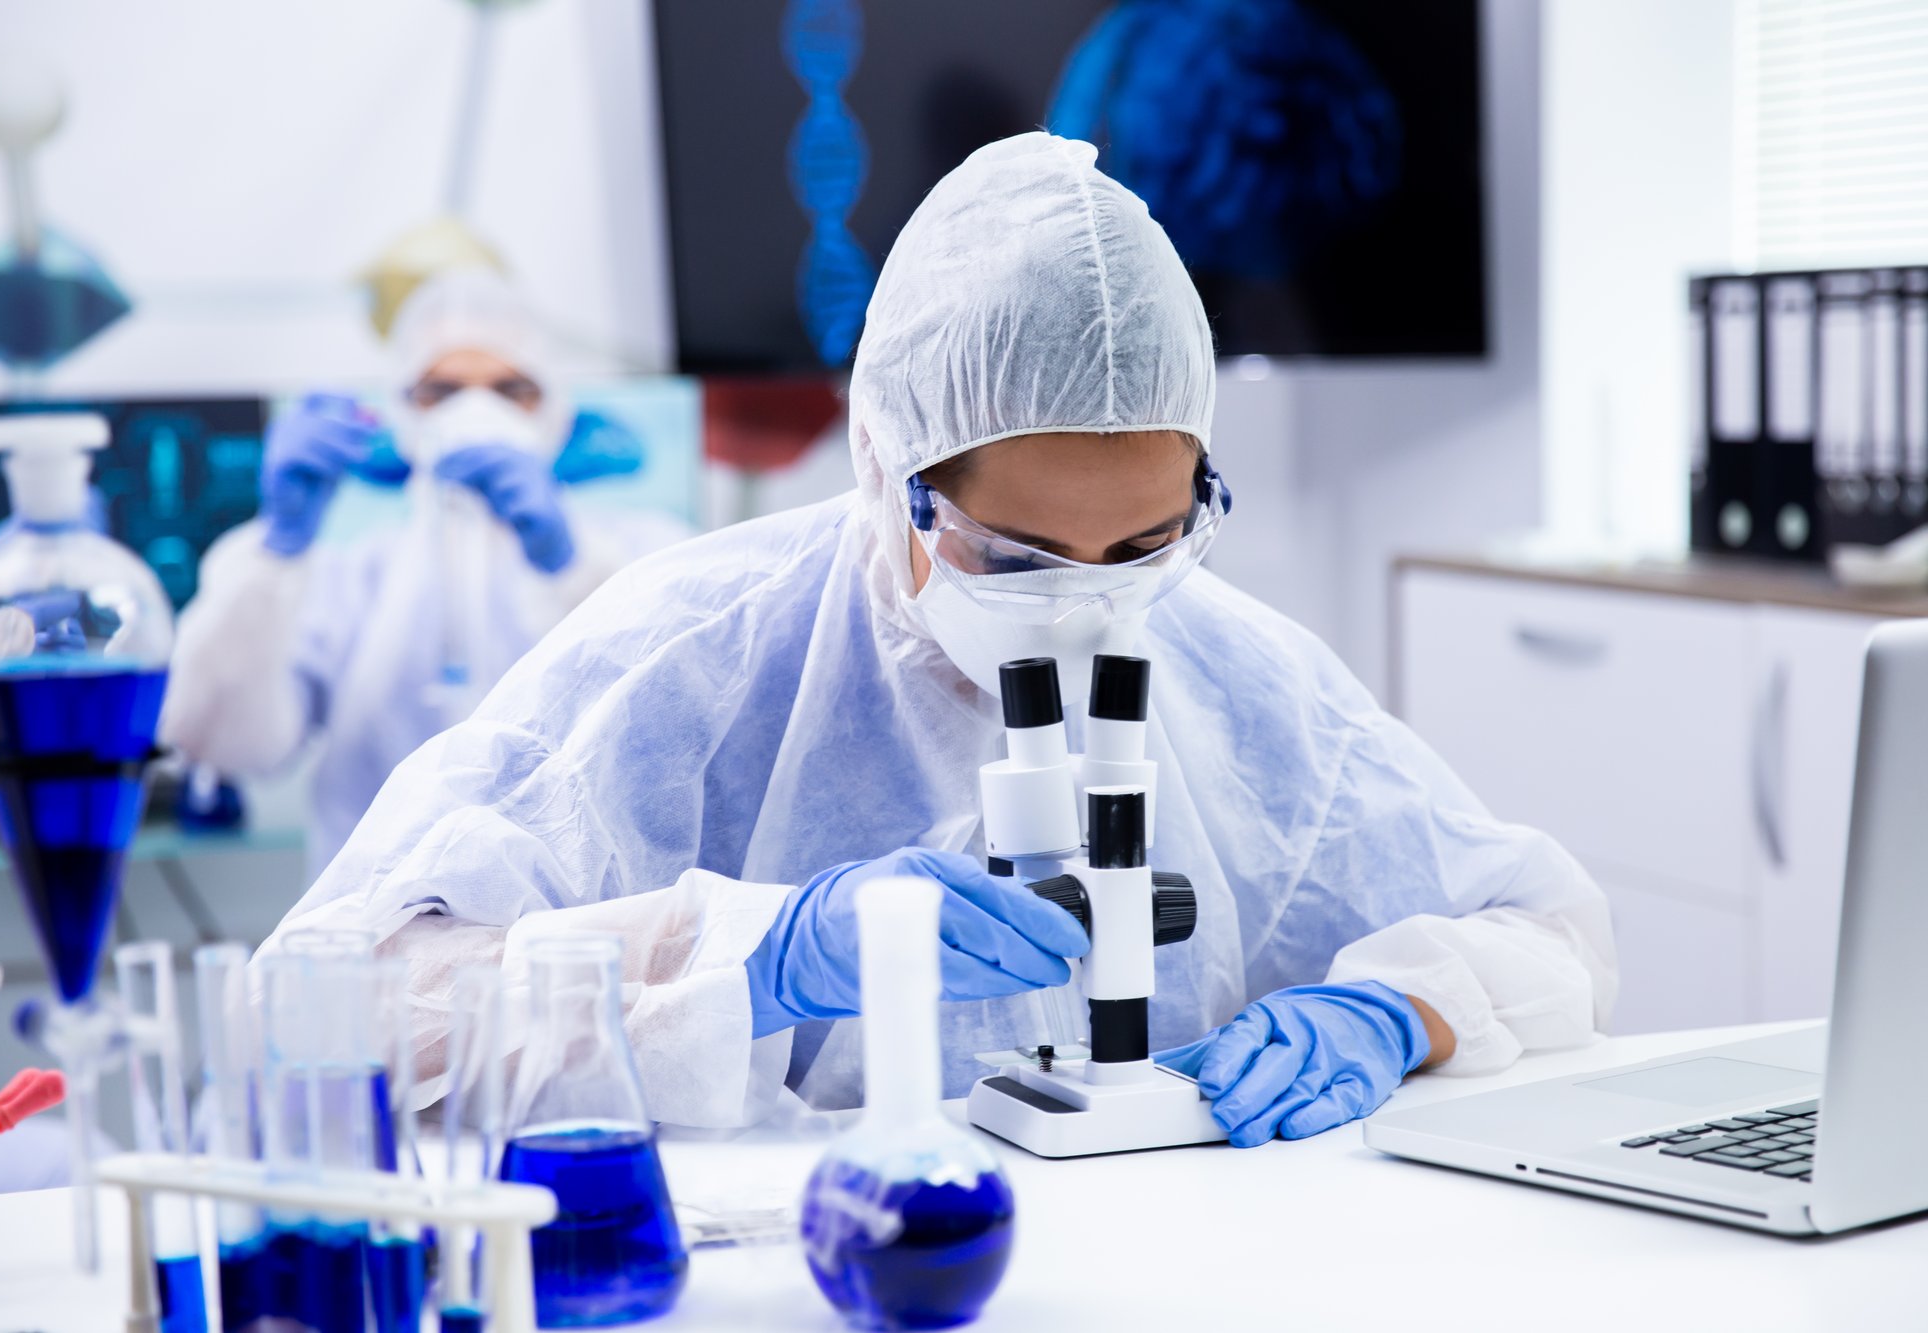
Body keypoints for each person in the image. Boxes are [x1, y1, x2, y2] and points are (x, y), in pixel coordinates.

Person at [264, 134, 1616, 1145]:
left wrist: (1396, 1008)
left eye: (1141, 548)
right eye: (1016, 557)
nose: (1082, 606)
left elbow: (1550, 930)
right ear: (884, 467)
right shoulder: (694, 659)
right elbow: (329, 1011)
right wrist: (751, 950)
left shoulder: (1241, 674)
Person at [161, 269, 683, 879]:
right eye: (442, 390)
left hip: (583, 939)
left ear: (555, 404)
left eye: (511, 388)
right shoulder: (353, 581)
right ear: (402, 406)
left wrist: (567, 567)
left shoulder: (642, 554)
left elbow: (676, 729)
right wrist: (278, 552)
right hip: (380, 943)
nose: (476, 409)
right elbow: (226, 744)